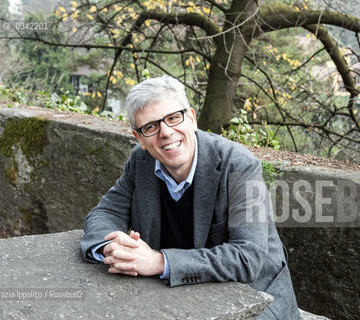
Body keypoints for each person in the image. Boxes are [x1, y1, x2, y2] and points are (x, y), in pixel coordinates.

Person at [80, 75, 299, 319]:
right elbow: (105, 212)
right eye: (151, 127)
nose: (166, 132)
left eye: (173, 118)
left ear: (192, 118)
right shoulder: (141, 161)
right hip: (183, 297)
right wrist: (114, 248)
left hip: (256, 297)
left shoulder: (239, 165)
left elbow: (249, 257)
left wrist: (159, 262)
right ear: (139, 138)